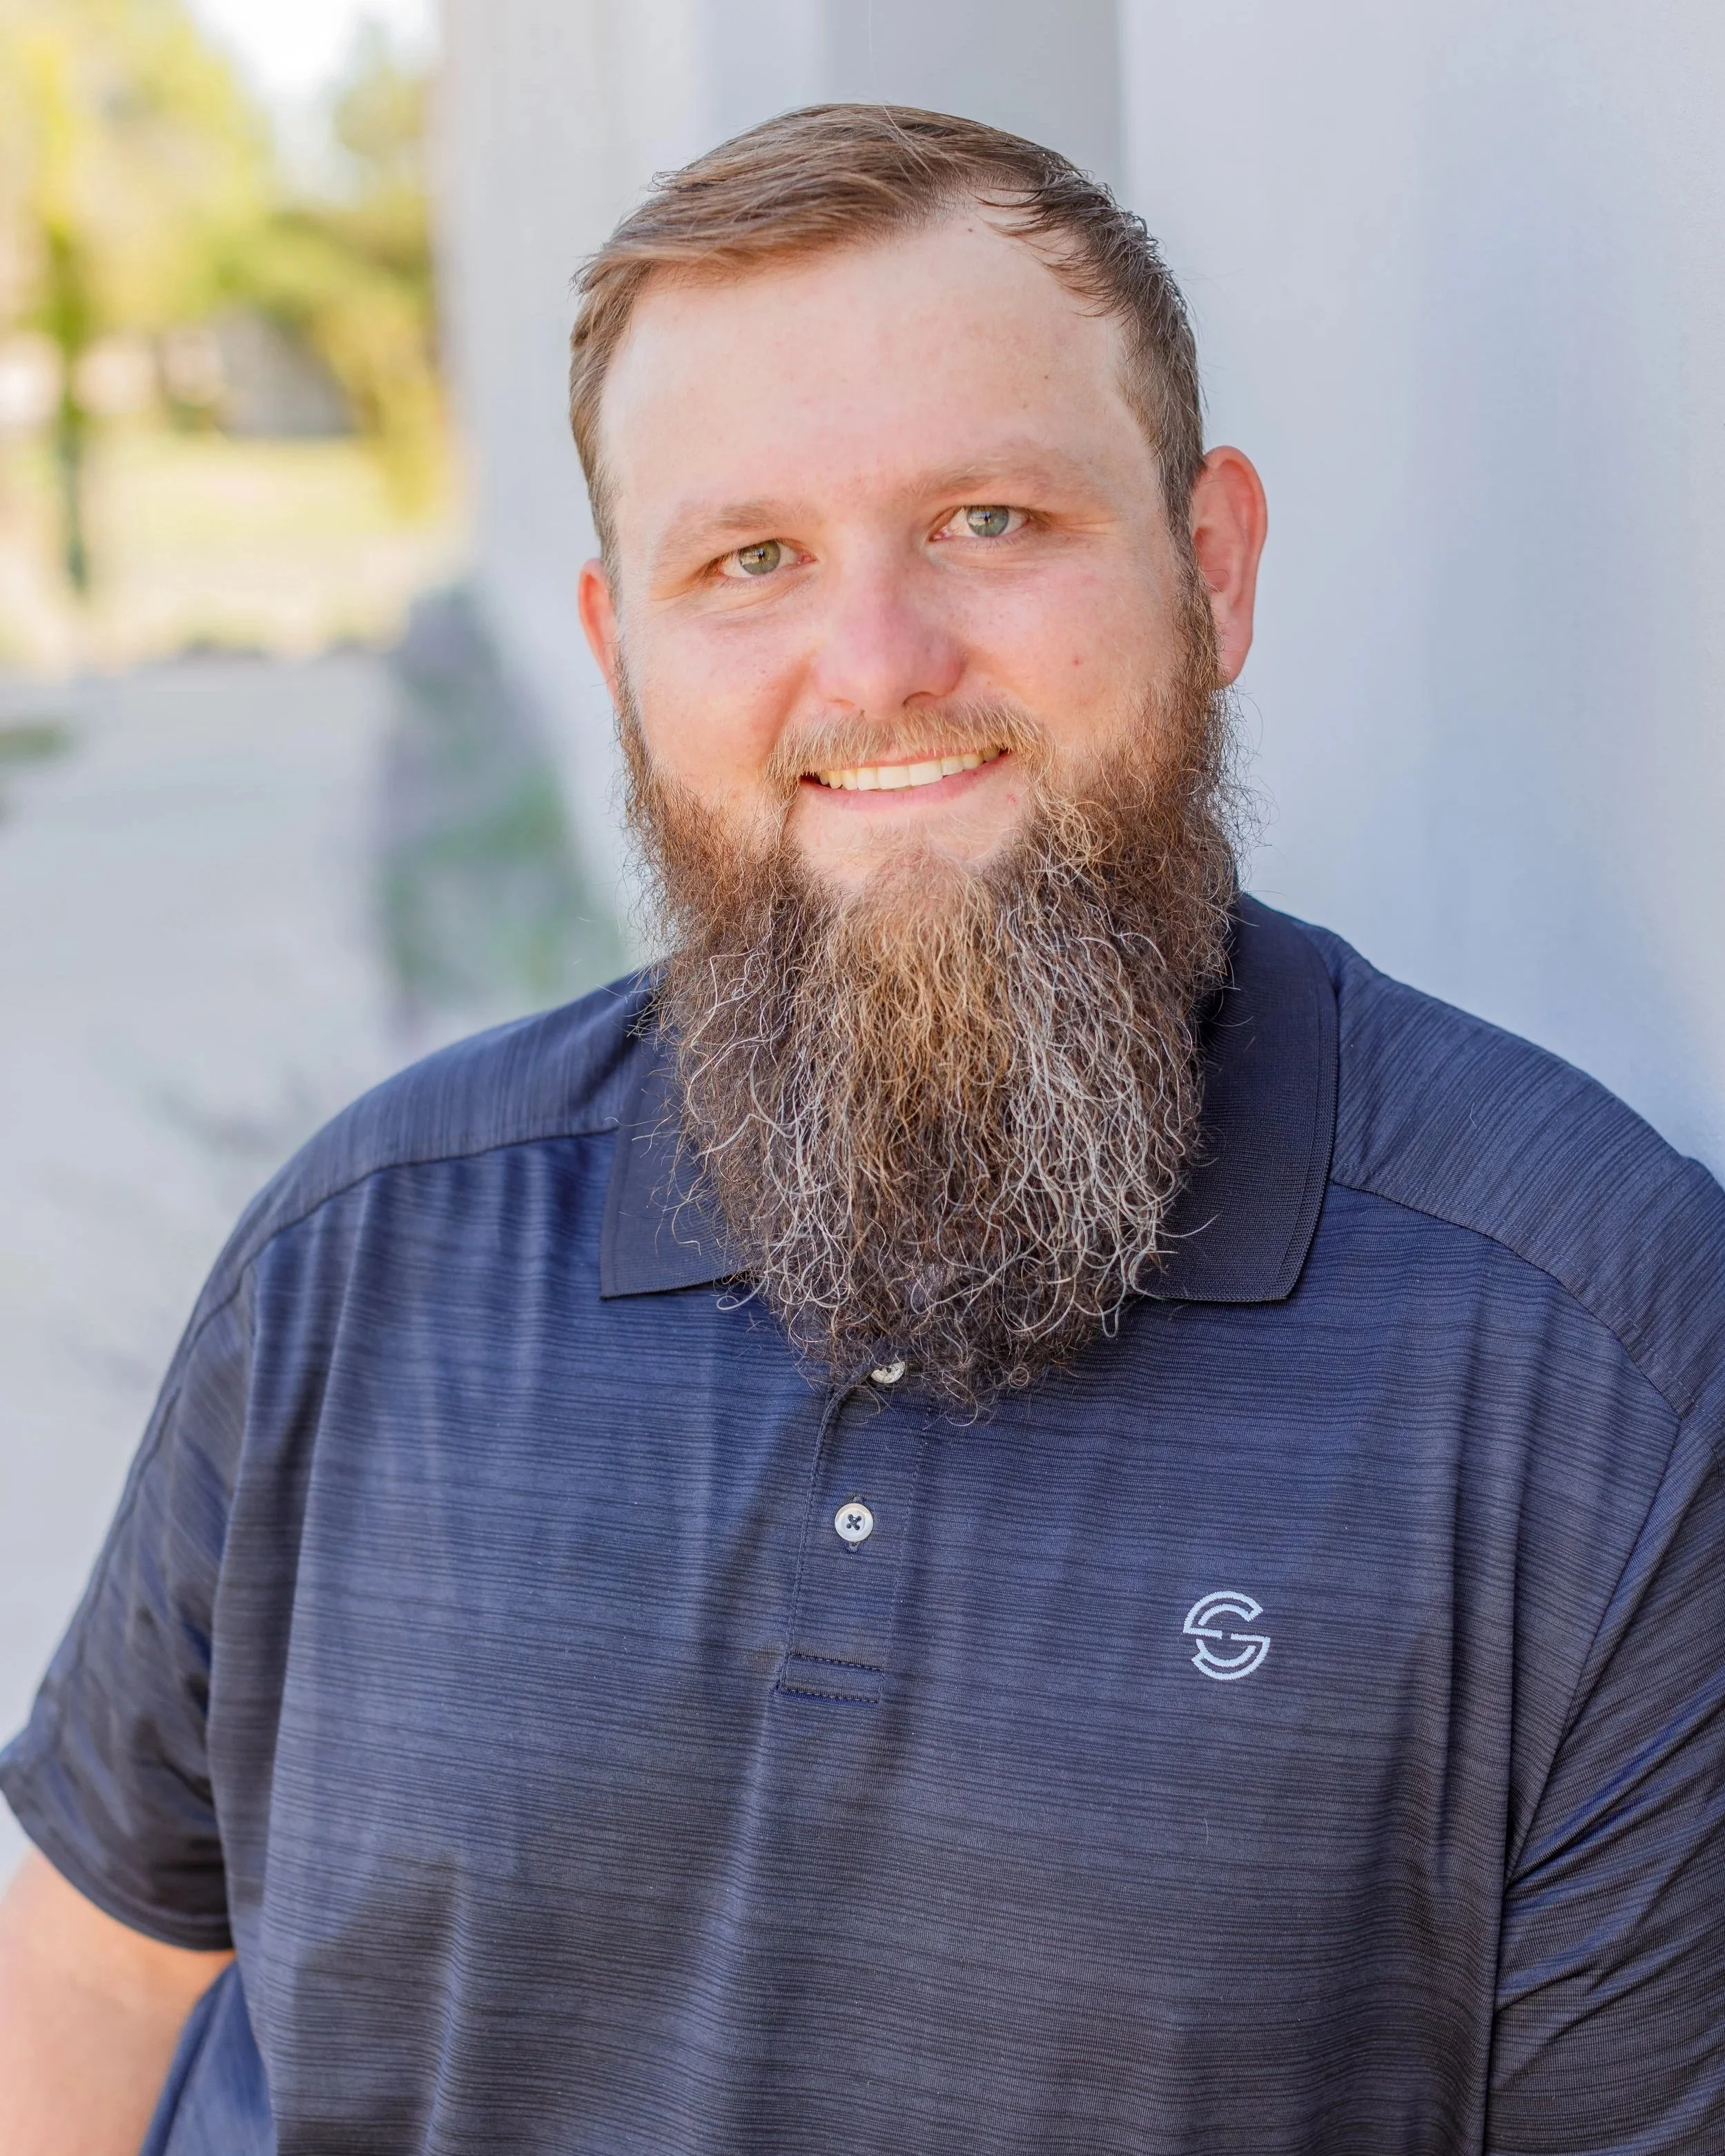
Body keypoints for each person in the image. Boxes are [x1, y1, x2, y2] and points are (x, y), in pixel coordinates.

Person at [2, 102, 1722, 2155]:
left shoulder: (1588, 1356)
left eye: (993, 520)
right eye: (751, 560)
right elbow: (92, 1974)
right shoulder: (360, 1258)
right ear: (619, 654)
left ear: (1214, 567)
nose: (882, 665)